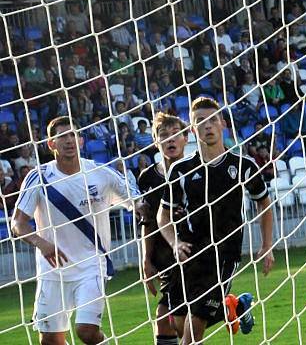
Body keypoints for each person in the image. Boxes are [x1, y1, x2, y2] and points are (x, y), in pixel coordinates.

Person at [11, 116, 140, 345]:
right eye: (62, 136)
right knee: (50, 340)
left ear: (80, 141)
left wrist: (146, 208)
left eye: (73, 135)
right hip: (53, 270)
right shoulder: (38, 177)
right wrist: (43, 244)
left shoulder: (101, 173)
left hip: (92, 265)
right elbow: (18, 223)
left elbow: (137, 201)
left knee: (87, 332)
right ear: (51, 144)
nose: (69, 140)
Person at [157, 97, 274, 344]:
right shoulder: (180, 170)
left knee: (192, 333)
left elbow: (264, 203)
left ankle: (225, 305)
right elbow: (163, 215)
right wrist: (175, 242)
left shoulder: (242, 166)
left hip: (223, 255)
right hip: (189, 254)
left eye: (212, 120)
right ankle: (232, 306)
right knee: (178, 324)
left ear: (222, 124)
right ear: (192, 129)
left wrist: (267, 245)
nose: (207, 126)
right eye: (200, 121)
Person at [136, 113, 189, 345]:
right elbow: (146, 221)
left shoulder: (197, 169)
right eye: (163, 135)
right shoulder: (148, 177)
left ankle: (230, 306)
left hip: (194, 253)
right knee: (173, 322)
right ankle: (230, 306)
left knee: (178, 321)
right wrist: (146, 260)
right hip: (165, 256)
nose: (170, 140)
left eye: (175, 134)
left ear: (186, 137)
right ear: (155, 141)